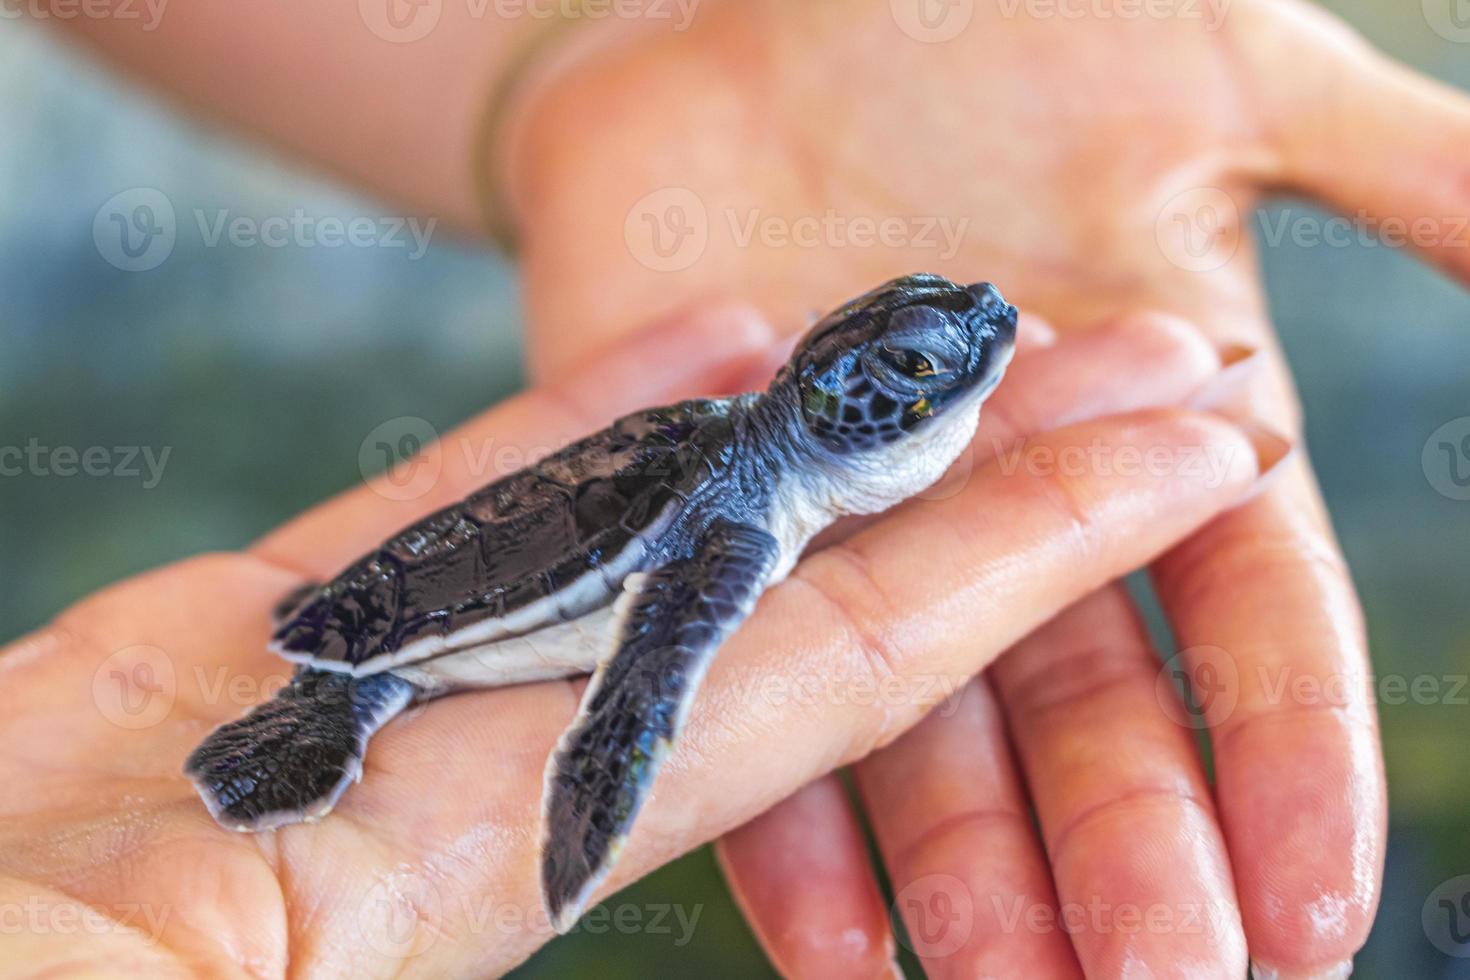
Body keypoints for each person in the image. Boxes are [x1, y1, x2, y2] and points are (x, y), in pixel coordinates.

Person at [6, 0, 1468, 976]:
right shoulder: (730, 514)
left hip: (513, 532)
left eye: (947, 319)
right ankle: (343, 697)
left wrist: (593, 52)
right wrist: (586, 824)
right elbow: (642, 670)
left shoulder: (745, 442)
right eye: (920, 340)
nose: (974, 329)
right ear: (845, 397)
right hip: (393, 629)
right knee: (644, 681)